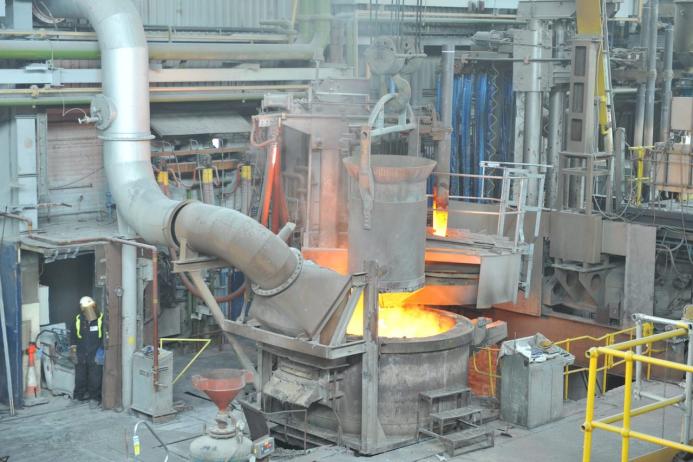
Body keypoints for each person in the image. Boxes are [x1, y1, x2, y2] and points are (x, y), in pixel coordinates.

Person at [72, 296, 104, 406]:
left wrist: (101, 351)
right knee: (80, 376)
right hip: (81, 352)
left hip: (95, 352)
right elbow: (73, 335)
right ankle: (78, 396)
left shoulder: (100, 320)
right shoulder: (78, 319)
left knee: (95, 377)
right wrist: (73, 350)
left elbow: (105, 337)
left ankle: (94, 398)